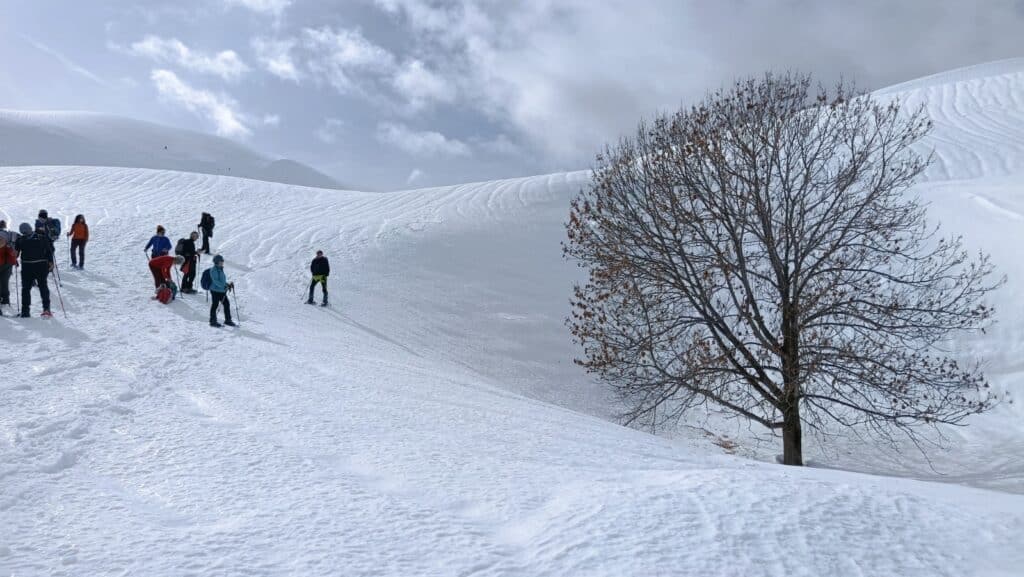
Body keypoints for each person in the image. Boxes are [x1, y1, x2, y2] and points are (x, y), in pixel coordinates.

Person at [15, 223, 54, 318]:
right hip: (40, 266)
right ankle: (46, 309)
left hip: (27, 266)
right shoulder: (41, 237)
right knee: (43, 286)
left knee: (26, 289)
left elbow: (16, 254)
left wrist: (14, 259)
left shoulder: (20, 240)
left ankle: (25, 311)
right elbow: (49, 250)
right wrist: (50, 262)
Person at [208, 254, 235, 327]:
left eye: (222, 260)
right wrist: (224, 286)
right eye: (221, 261)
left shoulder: (220, 269)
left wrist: (227, 284)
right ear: (217, 262)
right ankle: (213, 321)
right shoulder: (213, 270)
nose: (222, 262)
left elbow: (222, 281)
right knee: (215, 305)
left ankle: (228, 320)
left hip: (221, 291)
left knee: (226, 304)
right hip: (215, 291)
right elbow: (216, 281)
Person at [0, 236, 17, 307]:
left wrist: (14, 261)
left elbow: (12, 255)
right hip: (6, 265)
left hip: (6, 266)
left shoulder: (6, 245)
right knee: (4, 282)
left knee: (4, 282)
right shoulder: (6, 244)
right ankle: (5, 299)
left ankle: (5, 299)